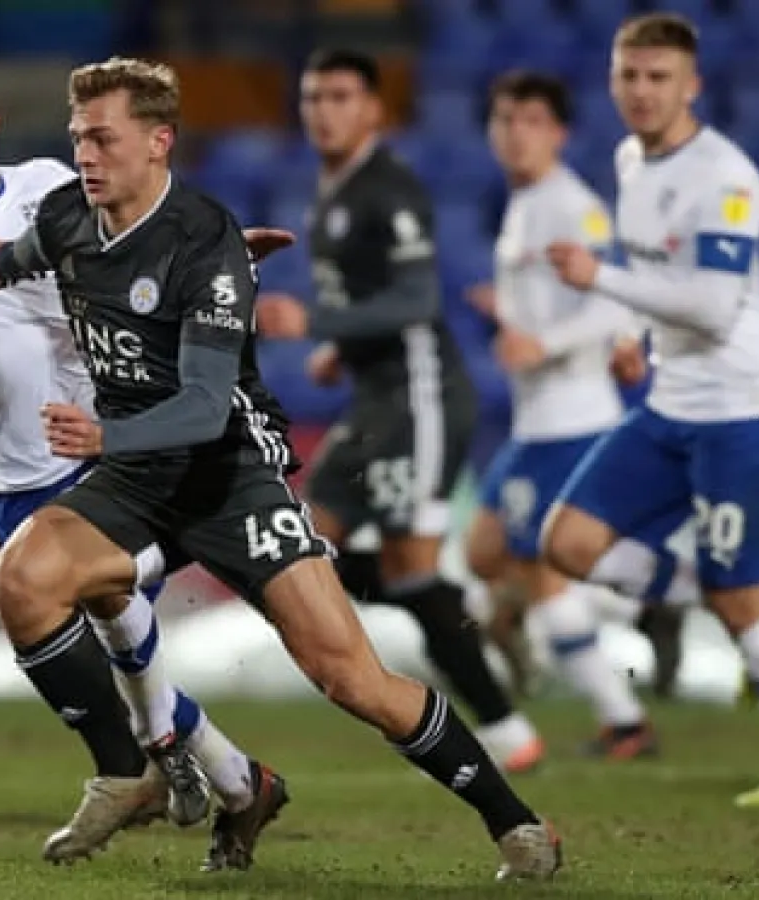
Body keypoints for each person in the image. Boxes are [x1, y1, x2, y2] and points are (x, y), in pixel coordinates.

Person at [0, 56, 561, 880]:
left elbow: (202, 407)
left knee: (353, 680)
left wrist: (100, 439)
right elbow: (21, 257)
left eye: (104, 138)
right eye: (78, 136)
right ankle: (130, 770)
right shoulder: (68, 217)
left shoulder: (203, 239)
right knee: (23, 579)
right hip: (136, 480)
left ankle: (518, 825)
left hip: (227, 472)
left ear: (158, 142)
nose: (86, 154)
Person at [0, 51, 284, 861]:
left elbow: (136, 243)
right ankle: (232, 781)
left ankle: (132, 771)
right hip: (7, 474)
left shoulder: (50, 189)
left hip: (101, 444)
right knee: (114, 640)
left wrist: (216, 260)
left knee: (92, 607)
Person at [541, 13, 759, 808]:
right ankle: (741, 598)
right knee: (567, 543)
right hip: (669, 403)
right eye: (630, 76)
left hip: (742, 410)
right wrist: (630, 333)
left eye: (659, 78)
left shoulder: (725, 175)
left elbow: (715, 307)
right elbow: (659, 271)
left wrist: (600, 280)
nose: (643, 92)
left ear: (693, 85)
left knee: (736, 596)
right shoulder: (628, 158)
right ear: (613, 80)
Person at [253, 49, 532, 770]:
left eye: (341, 96)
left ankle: (501, 724)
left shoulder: (390, 188)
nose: (324, 110)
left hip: (420, 401)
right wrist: (341, 348)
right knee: (347, 558)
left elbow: (416, 301)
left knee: (329, 551)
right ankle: (503, 715)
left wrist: (315, 324)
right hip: (380, 396)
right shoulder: (333, 189)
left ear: (374, 109)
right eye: (314, 97)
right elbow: (370, 303)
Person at [464, 69, 658, 765]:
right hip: (535, 425)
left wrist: (542, 341)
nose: (515, 133)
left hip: (574, 423)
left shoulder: (571, 205)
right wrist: (508, 312)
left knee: (543, 573)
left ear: (559, 131)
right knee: (484, 554)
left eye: (531, 120)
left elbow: (613, 301)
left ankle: (624, 719)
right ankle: (622, 603)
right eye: (504, 119)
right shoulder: (525, 205)